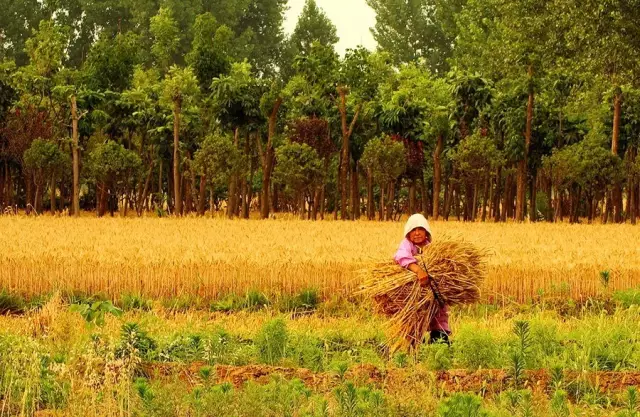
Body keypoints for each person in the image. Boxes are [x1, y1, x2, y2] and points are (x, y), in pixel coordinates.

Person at [393, 213, 450, 344]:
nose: (417, 233)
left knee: (439, 312)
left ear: (426, 232)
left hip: (432, 292)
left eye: (420, 229)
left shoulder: (432, 247)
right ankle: (413, 346)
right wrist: (418, 270)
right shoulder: (406, 244)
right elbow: (401, 257)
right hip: (413, 295)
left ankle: (439, 343)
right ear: (408, 233)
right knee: (414, 319)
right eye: (413, 230)